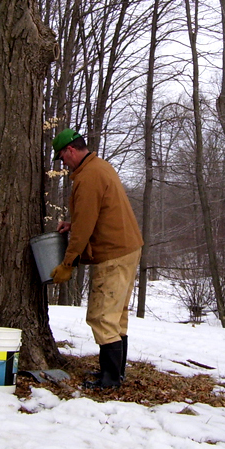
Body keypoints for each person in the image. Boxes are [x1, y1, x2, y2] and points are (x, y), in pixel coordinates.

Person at [50, 128, 143, 389]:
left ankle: (110, 380)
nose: (63, 164)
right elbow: (97, 212)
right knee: (117, 315)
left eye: (62, 157)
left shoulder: (88, 176)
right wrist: (74, 223)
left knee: (102, 316)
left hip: (113, 253)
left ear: (70, 150)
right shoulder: (100, 166)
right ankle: (116, 374)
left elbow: (84, 227)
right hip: (127, 247)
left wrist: (68, 263)